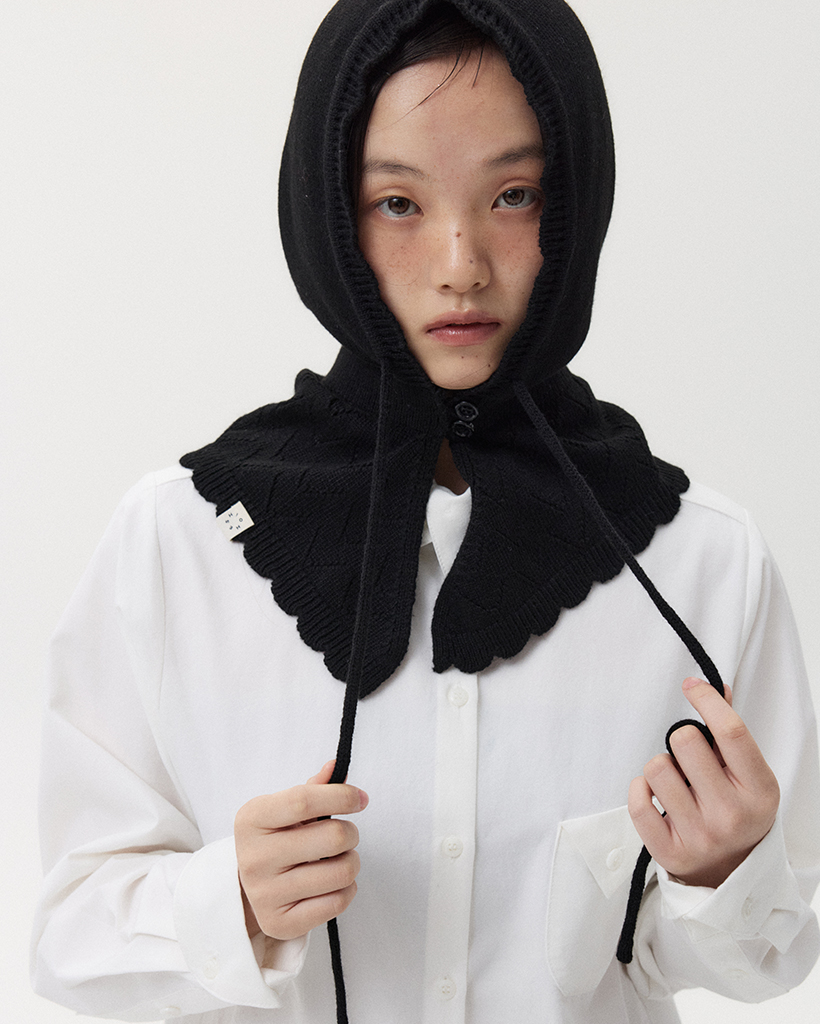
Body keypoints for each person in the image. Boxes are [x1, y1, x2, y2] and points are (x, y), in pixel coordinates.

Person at [31, 1, 820, 1022]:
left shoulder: (702, 562)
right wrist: (232, 906)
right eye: (398, 202)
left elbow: (767, 955)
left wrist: (722, 874)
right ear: (328, 211)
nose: (461, 263)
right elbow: (65, 932)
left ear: (577, 202)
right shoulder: (176, 544)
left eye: (515, 195)